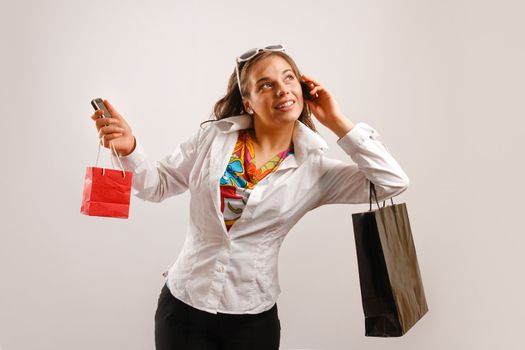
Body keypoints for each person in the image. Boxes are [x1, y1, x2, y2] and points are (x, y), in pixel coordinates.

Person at [90, 44, 409, 350]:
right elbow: (156, 186)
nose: (282, 90)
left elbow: (392, 182)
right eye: (266, 85)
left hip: (252, 320)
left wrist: (337, 122)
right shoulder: (213, 138)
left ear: (302, 88)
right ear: (248, 102)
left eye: (288, 78)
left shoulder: (316, 170)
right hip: (184, 307)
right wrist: (130, 148)